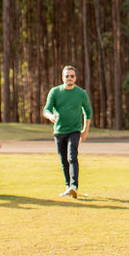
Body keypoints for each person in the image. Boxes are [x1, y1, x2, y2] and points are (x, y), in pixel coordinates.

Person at [43, 65, 93, 199]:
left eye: (72, 76)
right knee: (63, 159)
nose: (69, 78)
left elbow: (88, 112)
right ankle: (68, 187)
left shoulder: (81, 93)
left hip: (75, 130)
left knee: (72, 157)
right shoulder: (55, 92)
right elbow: (46, 109)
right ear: (62, 77)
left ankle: (74, 186)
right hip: (59, 131)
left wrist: (85, 131)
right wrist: (51, 116)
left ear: (75, 78)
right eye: (67, 76)